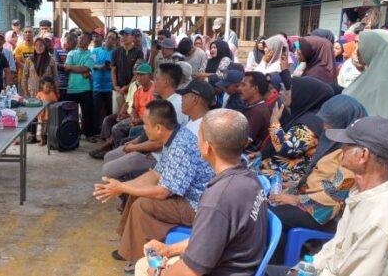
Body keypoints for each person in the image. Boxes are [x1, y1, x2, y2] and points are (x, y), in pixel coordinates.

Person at [266, 116, 388, 276]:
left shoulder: (379, 221)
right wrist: (300, 269)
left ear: (363, 155)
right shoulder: (361, 195)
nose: (341, 149)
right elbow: (334, 248)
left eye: (347, 145)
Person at [136, 109, 268, 276]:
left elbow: (191, 271)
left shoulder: (217, 199)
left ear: (206, 147)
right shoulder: (251, 179)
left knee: (142, 267)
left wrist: (158, 273)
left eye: (199, 136)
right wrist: (169, 250)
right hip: (242, 265)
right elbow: (210, 238)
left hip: (222, 270)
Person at [94, 100, 214, 273]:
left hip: (197, 206)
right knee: (135, 195)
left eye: (146, 125)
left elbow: (163, 192)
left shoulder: (180, 146)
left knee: (143, 204)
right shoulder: (173, 137)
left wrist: (122, 188)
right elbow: (155, 175)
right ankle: (128, 245)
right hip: (186, 197)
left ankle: (139, 258)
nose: (144, 128)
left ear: (158, 128)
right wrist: (121, 186)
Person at [267, 94, 366, 264]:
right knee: (268, 208)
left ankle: (276, 264)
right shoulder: (333, 140)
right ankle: (278, 261)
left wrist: (295, 199)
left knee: (270, 215)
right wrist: (292, 188)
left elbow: (336, 194)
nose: (324, 125)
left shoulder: (353, 152)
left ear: (345, 122)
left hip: (325, 213)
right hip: (309, 200)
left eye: (330, 122)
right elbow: (315, 175)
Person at [102, 80, 215, 182]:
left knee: (112, 172)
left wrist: (134, 148)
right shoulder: (193, 121)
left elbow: (175, 171)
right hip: (163, 161)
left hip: (165, 166)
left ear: (195, 100)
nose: (182, 99)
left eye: (184, 96)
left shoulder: (200, 129)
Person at [259, 77, 334, 186]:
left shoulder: (310, 123)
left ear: (303, 95)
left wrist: (274, 122)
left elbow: (284, 148)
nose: (281, 93)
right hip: (276, 174)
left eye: (288, 91)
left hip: (285, 183)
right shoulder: (302, 115)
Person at [344, 30, 388, 133]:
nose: (357, 50)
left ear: (374, 49)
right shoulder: (382, 77)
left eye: (361, 45)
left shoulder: (381, 83)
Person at [62, 32, 96, 139]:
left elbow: (86, 68)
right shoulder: (71, 53)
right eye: (80, 38)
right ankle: (70, 134)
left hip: (85, 89)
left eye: (84, 39)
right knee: (69, 114)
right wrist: (80, 69)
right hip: (71, 88)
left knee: (87, 113)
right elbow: (66, 67)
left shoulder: (92, 55)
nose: (81, 40)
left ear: (89, 41)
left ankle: (89, 135)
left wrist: (74, 68)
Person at [112, 27, 144, 114]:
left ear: (133, 37)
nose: (123, 37)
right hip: (118, 90)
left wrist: (129, 86)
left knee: (130, 114)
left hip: (132, 90)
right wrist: (115, 86)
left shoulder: (138, 52)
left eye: (126, 35)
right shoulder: (116, 52)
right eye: (122, 35)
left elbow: (138, 72)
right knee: (116, 114)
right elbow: (113, 70)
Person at [239, 71, 271, 152]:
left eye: (244, 85)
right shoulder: (257, 107)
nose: (239, 88)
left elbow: (243, 143)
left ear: (255, 89)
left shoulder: (257, 112)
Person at [92, 28, 115, 133]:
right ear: (105, 38)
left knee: (110, 111)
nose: (110, 40)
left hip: (110, 87)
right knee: (96, 110)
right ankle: (96, 131)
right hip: (97, 86)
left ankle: (108, 132)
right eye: (109, 37)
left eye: (113, 39)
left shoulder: (116, 52)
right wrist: (99, 67)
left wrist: (111, 67)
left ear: (115, 41)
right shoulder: (96, 50)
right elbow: (91, 63)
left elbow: (117, 67)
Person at [54, 32, 77, 100]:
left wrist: (70, 67)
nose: (72, 45)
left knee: (71, 106)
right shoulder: (57, 51)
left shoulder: (76, 52)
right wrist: (70, 67)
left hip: (73, 85)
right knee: (60, 107)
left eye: (74, 43)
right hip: (61, 84)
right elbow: (56, 65)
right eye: (69, 41)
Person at [36, 77, 58, 146]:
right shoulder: (39, 94)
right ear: (42, 86)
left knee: (49, 129)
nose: (48, 88)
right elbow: (36, 102)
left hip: (49, 115)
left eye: (50, 87)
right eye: (46, 86)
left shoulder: (52, 94)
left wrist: (50, 102)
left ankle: (49, 141)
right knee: (42, 129)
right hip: (41, 115)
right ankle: (43, 141)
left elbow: (55, 103)